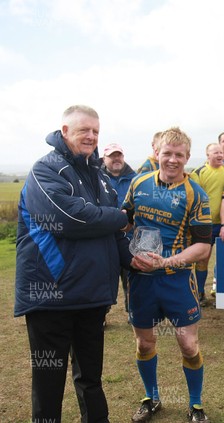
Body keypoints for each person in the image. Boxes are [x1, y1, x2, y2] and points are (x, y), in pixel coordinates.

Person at [15, 105, 132, 422]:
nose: (91, 136)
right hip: (51, 297)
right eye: (84, 130)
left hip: (91, 296)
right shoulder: (45, 170)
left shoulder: (100, 176)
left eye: (96, 131)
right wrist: (120, 219)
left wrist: (135, 259)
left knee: (91, 378)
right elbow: (69, 218)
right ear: (64, 131)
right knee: (48, 382)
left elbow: (114, 234)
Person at [123, 127, 212, 422]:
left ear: (187, 158)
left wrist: (165, 262)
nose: (172, 160)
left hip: (176, 279)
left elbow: (202, 246)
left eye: (179, 155)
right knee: (145, 343)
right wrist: (128, 255)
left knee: (188, 345)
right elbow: (123, 223)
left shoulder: (195, 194)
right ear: (157, 153)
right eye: (167, 153)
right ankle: (151, 398)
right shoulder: (138, 183)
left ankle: (196, 404)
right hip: (140, 281)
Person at [191, 144, 224, 299]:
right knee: (203, 259)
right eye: (216, 152)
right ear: (207, 155)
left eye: (221, 152)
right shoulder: (198, 173)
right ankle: (199, 293)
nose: (220, 155)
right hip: (204, 224)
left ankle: (221, 291)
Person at [102, 142, 137, 312]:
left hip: (129, 239)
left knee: (131, 279)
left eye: (119, 155)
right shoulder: (96, 179)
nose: (116, 159)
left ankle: (133, 314)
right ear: (104, 158)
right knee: (103, 280)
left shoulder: (135, 179)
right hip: (105, 239)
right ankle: (101, 315)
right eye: (112, 156)